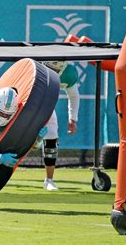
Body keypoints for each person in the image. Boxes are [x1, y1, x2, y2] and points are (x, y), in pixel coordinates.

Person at [41, 61, 80, 190]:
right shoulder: (36, 65)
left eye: (56, 70)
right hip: (24, 102)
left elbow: (73, 95)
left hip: (46, 104)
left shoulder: (68, 74)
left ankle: (49, 180)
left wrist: (73, 118)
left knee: (52, 133)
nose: (52, 73)